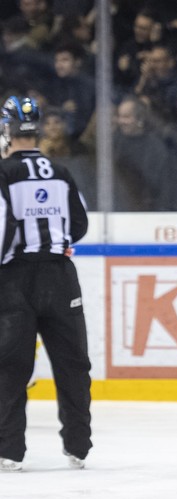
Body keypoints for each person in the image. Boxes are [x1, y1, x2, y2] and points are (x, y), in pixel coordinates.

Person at [0, 96, 92, 472]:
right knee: (72, 362)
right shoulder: (60, 170)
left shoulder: (4, 172)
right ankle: (78, 447)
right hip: (59, 275)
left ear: (7, 129)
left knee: (11, 365)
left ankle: (10, 451)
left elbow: (2, 229)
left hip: (14, 279)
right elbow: (80, 225)